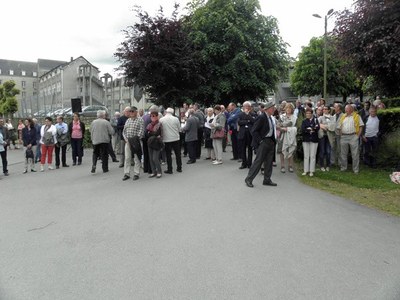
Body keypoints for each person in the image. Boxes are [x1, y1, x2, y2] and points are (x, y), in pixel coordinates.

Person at [245, 102, 277, 187]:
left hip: (270, 141)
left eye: (274, 108)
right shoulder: (261, 117)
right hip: (263, 141)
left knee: (269, 162)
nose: (274, 109)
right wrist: (260, 141)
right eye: (272, 108)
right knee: (258, 162)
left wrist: (273, 141)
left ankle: (267, 179)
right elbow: (254, 130)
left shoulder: (270, 118)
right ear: (267, 109)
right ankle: (249, 179)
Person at [338, 104, 364, 173]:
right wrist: (341, 133)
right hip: (344, 136)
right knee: (343, 154)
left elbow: (361, 126)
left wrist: (357, 136)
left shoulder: (357, 116)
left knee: (355, 154)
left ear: (351, 109)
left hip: (353, 136)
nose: (346, 110)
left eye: (347, 109)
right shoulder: (343, 116)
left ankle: (355, 170)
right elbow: (340, 126)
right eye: (345, 109)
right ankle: (343, 168)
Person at [122, 106, 144, 181]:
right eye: (130, 111)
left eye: (132, 111)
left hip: (136, 142)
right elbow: (124, 131)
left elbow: (141, 131)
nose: (131, 113)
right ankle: (126, 173)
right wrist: (126, 139)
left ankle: (136, 173)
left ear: (136, 112)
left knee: (136, 158)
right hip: (128, 141)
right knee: (127, 158)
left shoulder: (140, 120)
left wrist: (136, 140)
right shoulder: (128, 120)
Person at [160, 107, 182, 174]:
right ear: (172, 112)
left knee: (168, 155)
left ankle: (170, 169)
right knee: (178, 154)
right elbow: (179, 129)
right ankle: (179, 168)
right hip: (175, 138)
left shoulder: (161, 119)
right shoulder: (176, 119)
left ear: (166, 112)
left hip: (167, 139)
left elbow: (161, 130)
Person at [276, 103, 297, 173]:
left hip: (291, 136)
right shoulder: (281, 116)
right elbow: (278, 126)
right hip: (282, 136)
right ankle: (282, 166)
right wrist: (283, 129)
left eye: (290, 108)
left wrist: (288, 129)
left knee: (290, 150)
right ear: (285, 109)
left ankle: (290, 165)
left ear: (292, 109)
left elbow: (297, 127)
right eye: (287, 108)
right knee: (282, 150)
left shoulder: (294, 117)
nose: (288, 109)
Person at [237, 101, 257, 169]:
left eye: (248, 106)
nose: (246, 107)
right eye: (245, 106)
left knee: (250, 149)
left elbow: (254, 121)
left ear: (250, 107)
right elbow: (239, 122)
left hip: (250, 133)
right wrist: (247, 121)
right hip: (243, 133)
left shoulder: (253, 114)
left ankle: (249, 163)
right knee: (243, 149)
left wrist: (248, 116)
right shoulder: (241, 114)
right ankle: (244, 163)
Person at [301, 108, 320, 177]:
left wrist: (310, 128)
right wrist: (309, 130)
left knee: (312, 156)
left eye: (309, 113)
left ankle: (311, 171)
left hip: (314, 140)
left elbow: (317, 128)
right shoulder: (304, 121)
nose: (308, 114)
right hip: (306, 140)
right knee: (306, 156)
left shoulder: (315, 120)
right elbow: (303, 129)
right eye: (307, 113)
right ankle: (305, 170)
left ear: (312, 114)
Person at [146, 111, 163, 178]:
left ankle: (159, 171)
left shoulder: (159, 124)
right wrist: (152, 133)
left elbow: (157, 133)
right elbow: (146, 134)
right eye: (151, 116)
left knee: (155, 158)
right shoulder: (149, 124)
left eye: (154, 116)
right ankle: (153, 172)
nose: (152, 117)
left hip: (157, 143)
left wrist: (151, 132)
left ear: (157, 116)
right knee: (150, 158)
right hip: (150, 142)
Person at [318, 106, 333, 171]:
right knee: (322, 151)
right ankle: (321, 165)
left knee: (328, 151)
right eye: (323, 109)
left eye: (326, 109)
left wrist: (323, 126)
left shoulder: (332, 117)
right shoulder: (320, 117)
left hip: (329, 136)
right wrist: (324, 126)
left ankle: (328, 165)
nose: (324, 110)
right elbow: (318, 124)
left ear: (329, 110)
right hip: (322, 136)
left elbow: (332, 126)